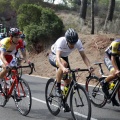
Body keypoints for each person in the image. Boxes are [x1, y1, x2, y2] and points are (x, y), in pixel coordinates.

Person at [49, 28, 94, 112]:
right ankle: (58, 87)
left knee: (68, 81)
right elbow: (58, 58)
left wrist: (89, 66)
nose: (73, 45)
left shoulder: (78, 42)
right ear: (66, 40)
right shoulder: (61, 41)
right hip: (54, 55)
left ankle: (63, 101)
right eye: (71, 43)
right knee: (64, 64)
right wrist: (63, 68)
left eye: (74, 43)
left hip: (64, 57)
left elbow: (84, 56)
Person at [0, 28, 23, 92]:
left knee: (15, 70)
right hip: (1, 56)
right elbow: (2, 55)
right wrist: (7, 64)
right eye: (16, 37)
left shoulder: (20, 42)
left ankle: (12, 87)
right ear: (11, 37)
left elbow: (24, 54)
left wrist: (28, 62)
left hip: (9, 56)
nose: (18, 38)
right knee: (6, 68)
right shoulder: (6, 41)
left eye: (19, 36)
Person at [102, 39, 120, 106]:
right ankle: (104, 83)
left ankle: (113, 96)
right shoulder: (116, 43)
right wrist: (117, 70)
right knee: (115, 73)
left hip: (117, 57)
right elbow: (112, 59)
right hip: (109, 57)